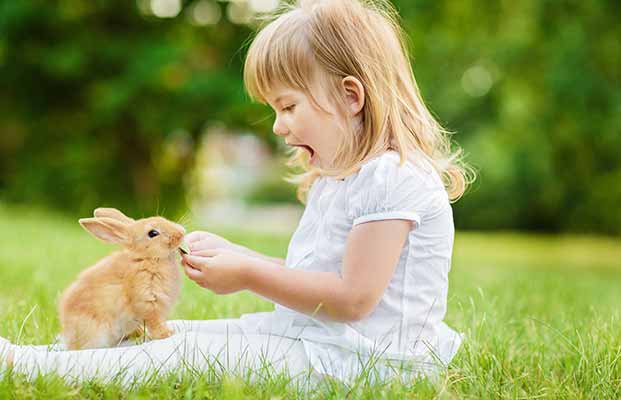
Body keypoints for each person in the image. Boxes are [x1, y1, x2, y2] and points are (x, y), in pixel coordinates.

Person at [0, 0, 474, 386]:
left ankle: (27, 366)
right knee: (175, 337)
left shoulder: (392, 178)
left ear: (351, 97)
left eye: (288, 106)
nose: (278, 125)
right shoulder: (341, 178)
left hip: (369, 367)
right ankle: (54, 354)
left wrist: (247, 272)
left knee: (177, 357)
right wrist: (240, 255)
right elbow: (318, 280)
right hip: (319, 341)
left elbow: (352, 299)